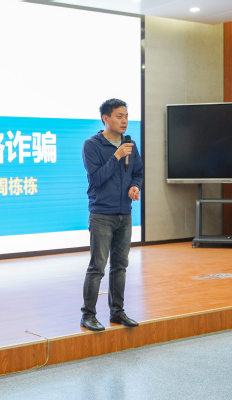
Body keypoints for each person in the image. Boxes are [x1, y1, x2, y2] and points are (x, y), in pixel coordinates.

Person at [80, 98, 144, 331]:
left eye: (126, 116)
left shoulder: (130, 144)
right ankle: (88, 315)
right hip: (102, 215)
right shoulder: (92, 145)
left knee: (120, 266)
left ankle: (117, 312)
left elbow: (138, 172)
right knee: (97, 266)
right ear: (105, 119)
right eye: (119, 116)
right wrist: (116, 156)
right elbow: (96, 179)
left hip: (124, 214)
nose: (124, 121)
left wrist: (135, 186)